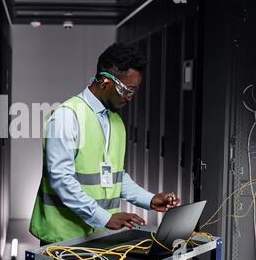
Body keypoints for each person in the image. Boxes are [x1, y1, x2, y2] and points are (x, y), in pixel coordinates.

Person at [29, 43, 180, 246]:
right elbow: (61, 179)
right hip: (64, 238)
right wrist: (104, 217)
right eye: (127, 90)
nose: (129, 97)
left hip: (101, 235)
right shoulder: (68, 116)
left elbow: (115, 177)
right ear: (105, 81)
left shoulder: (115, 121)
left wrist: (149, 199)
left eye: (134, 91)